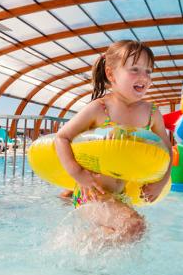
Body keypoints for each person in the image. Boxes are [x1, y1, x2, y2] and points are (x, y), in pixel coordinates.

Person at [54, 40, 172, 244]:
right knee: (134, 226)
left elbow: (168, 150)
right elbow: (61, 138)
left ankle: (87, 259)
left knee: (127, 234)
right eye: (134, 69)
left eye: (148, 71)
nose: (143, 77)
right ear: (111, 75)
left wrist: (160, 183)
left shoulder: (151, 113)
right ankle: (73, 246)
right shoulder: (101, 109)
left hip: (121, 195)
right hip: (91, 195)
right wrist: (78, 174)